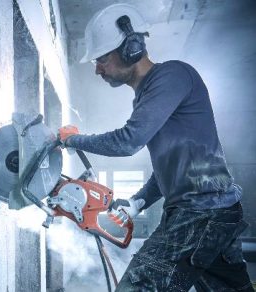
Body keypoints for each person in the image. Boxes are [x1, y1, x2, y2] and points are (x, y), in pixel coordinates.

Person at [58, 3, 254, 291]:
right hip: (212, 213)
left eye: (101, 58)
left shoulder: (172, 76)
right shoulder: (149, 96)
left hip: (199, 214)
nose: (97, 69)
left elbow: (128, 142)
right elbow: (172, 165)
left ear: (131, 47)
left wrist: (71, 139)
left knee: (136, 287)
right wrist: (138, 202)